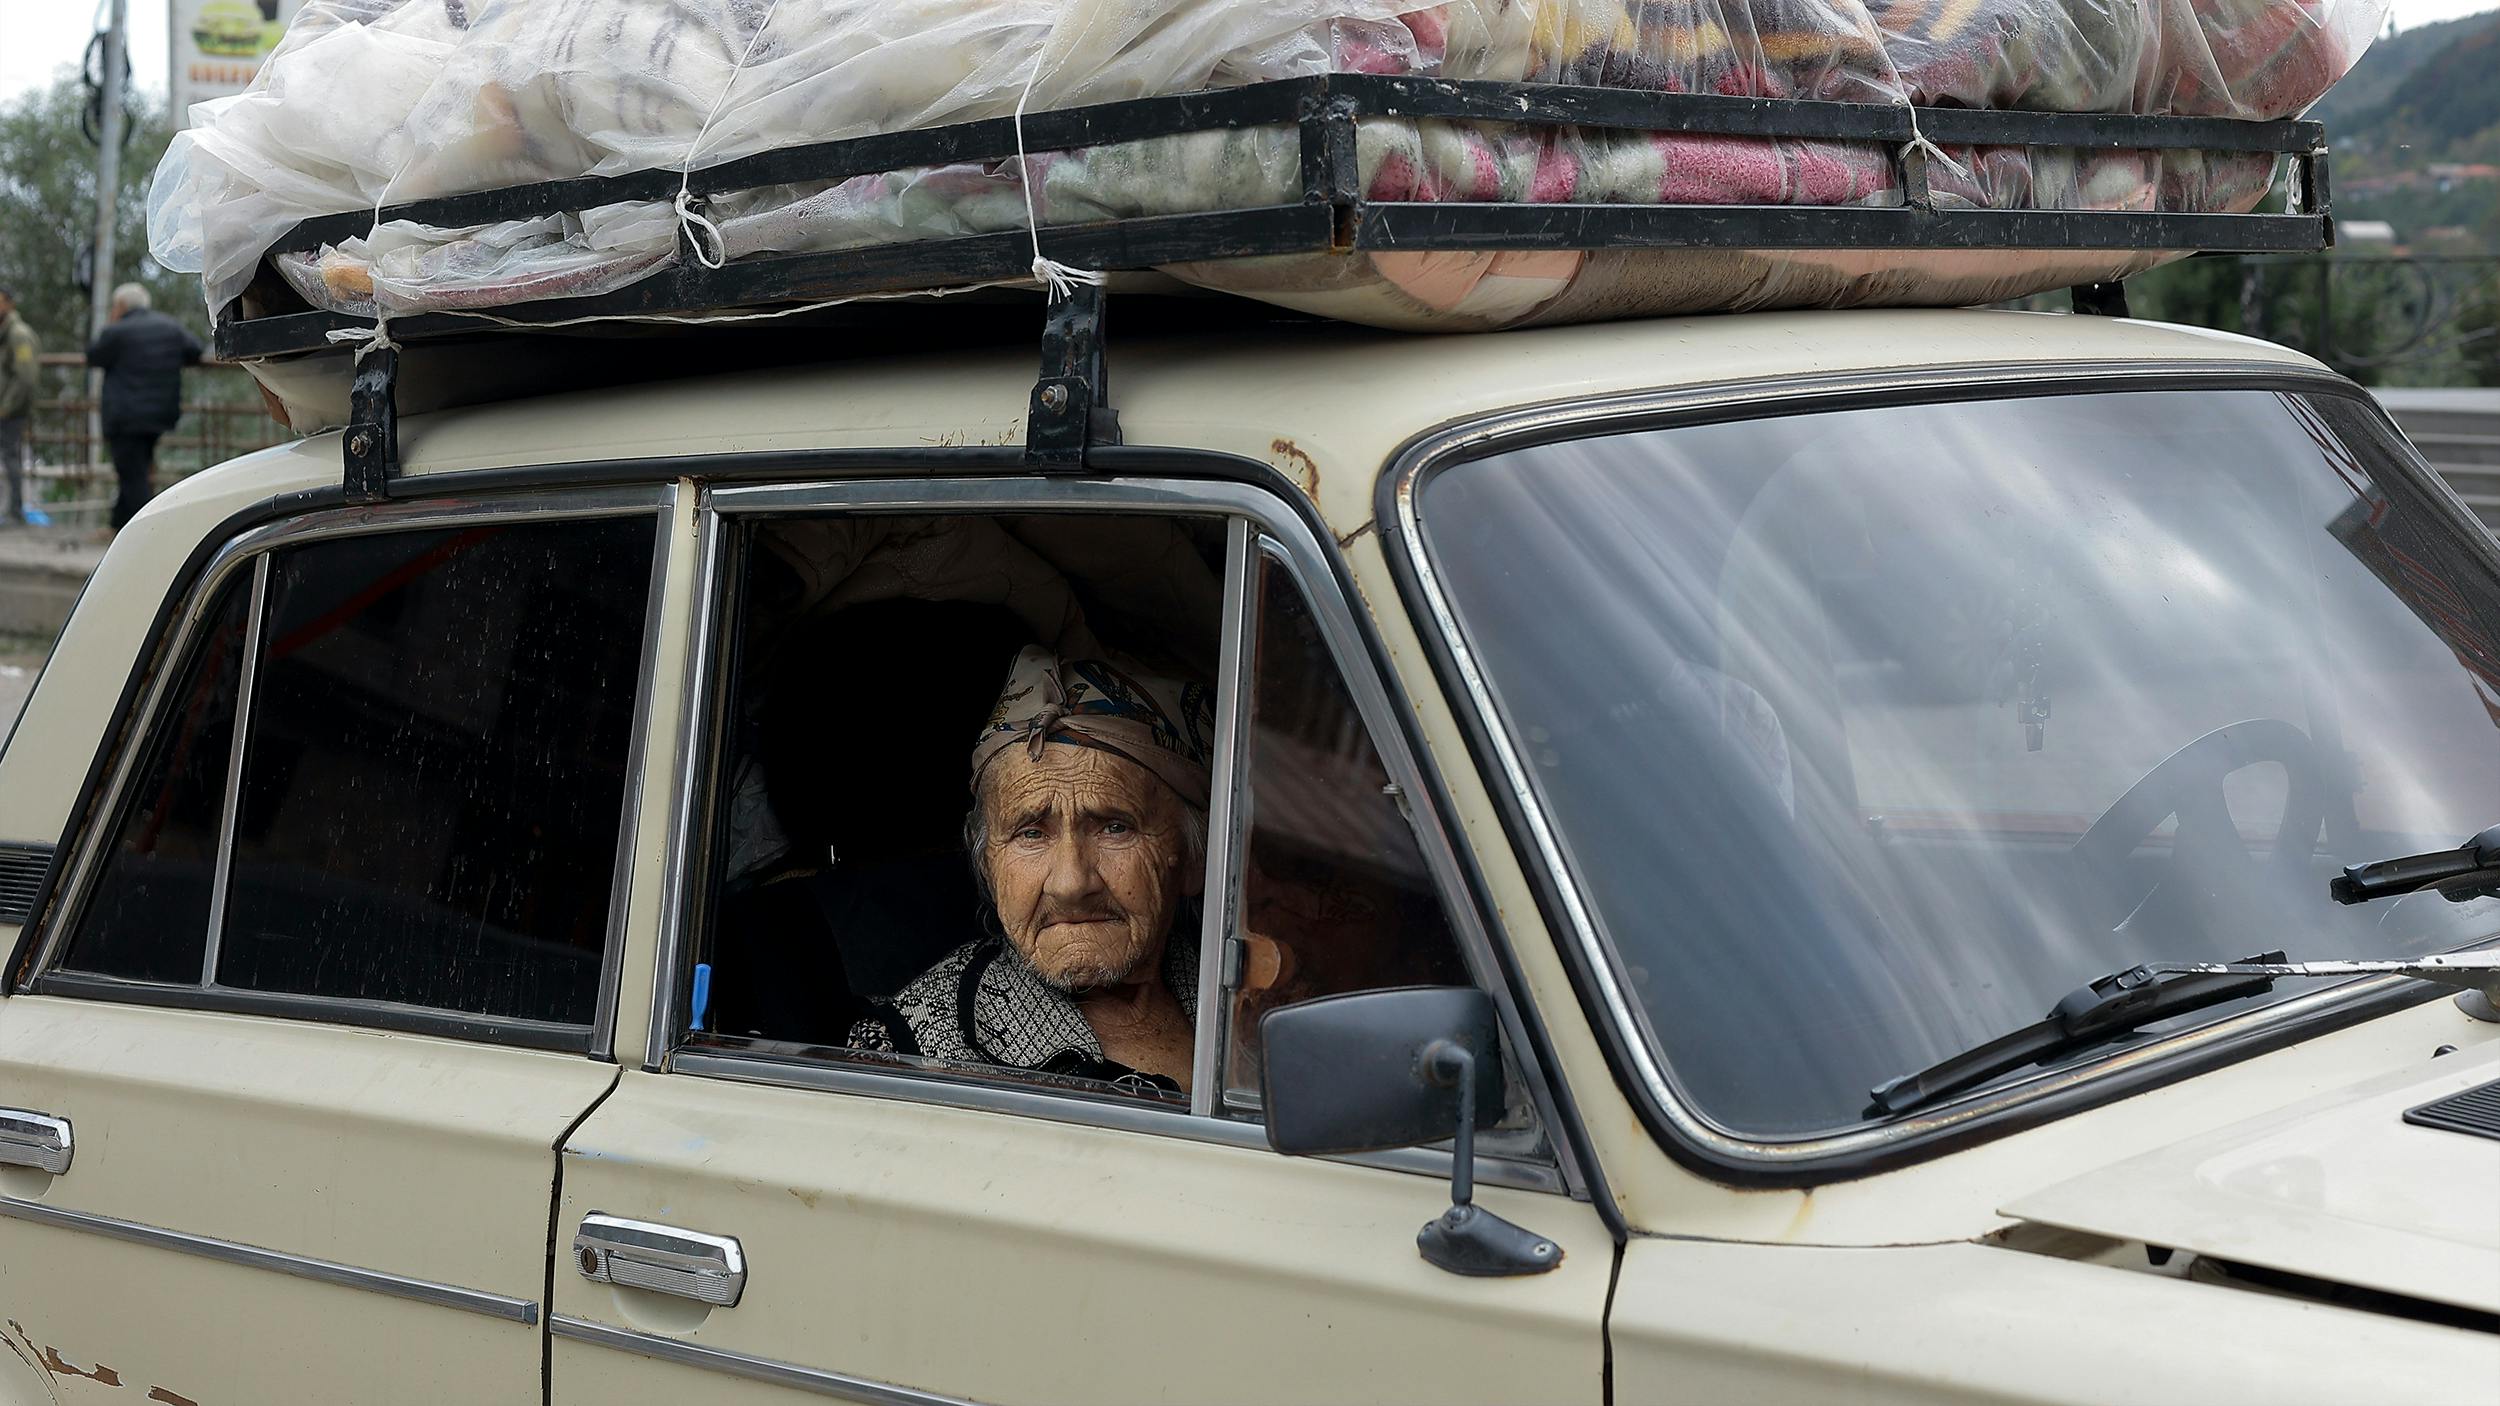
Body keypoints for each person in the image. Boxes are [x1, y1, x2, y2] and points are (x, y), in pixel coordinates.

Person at [848, 646, 1216, 1095]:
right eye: (1030, 833)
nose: (1071, 884)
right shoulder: (907, 1056)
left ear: (1194, 860)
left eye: (1115, 828)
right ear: (988, 866)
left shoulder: (1252, 999)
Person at [85, 284, 204, 531]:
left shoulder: (117, 332)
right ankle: (117, 526)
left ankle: (148, 530)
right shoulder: (169, 327)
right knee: (134, 470)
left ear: (120, 306)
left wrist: (110, 323)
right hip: (159, 414)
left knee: (132, 475)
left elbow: (93, 356)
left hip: (125, 417)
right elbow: (195, 350)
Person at [0, 287, 37, 525]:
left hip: (10, 411)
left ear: (10, 304)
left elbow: (25, 376)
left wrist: (7, 406)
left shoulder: (18, 334)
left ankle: (15, 510)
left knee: (11, 458)